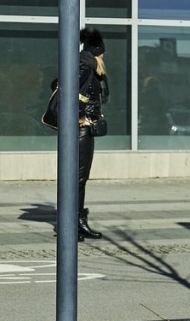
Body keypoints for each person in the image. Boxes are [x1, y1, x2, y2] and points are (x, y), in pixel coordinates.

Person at [75, 27, 109, 240]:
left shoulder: (87, 65)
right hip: (80, 130)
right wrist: (80, 117)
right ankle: (75, 223)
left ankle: (77, 221)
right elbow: (67, 88)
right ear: (97, 51)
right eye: (102, 52)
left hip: (85, 130)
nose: (104, 56)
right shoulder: (84, 65)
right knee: (77, 178)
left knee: (80, 178)